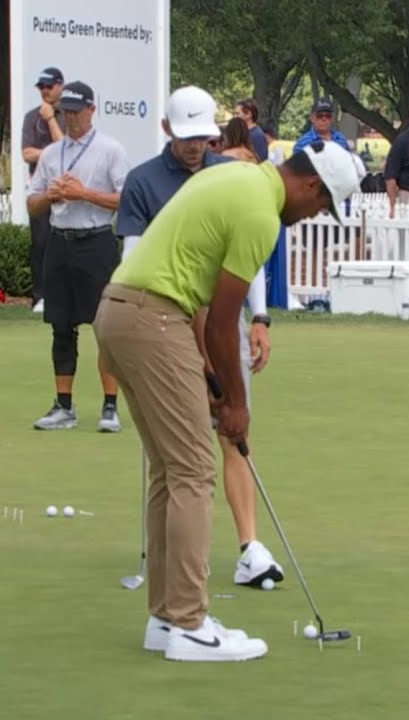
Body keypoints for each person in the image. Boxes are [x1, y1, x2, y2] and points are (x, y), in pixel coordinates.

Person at [95, 140, 360, 662]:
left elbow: (197, 300)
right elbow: (221, 321)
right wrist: (236, 405)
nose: (314, 215)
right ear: (310, 186)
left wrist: (212, 380)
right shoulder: (261, 214)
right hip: (154, 317)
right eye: (322, 205)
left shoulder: (230, 178)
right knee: (194, 470)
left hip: (121, 311)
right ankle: (191, 624)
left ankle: (167, 618)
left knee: (171, 471)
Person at [114, 86, 287, 589]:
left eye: (203, 138)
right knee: (176, 450)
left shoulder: (228, 175)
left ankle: (249, 547)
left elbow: (247, 257)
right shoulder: (143, 181)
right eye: (186, 138)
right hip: (165, 320)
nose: (195, 148)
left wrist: (260, 318)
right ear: (167, 130)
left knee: (234, 425)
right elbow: (132, 257)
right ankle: (172, 555)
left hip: (222, 317)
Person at [26, 80, 130, 431]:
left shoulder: (109, 149)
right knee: (61, 325)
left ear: (91, 110)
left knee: (104, 326)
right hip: (60, 241)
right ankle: (63, 405)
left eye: (74, 111)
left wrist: (84, 194)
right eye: (64, 112)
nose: (69, 118)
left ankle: (110, 406)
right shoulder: (52, 154)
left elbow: (123, 199)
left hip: (96, 242)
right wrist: (50, 196)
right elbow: (32, 202)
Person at [20, 67, 66, 314]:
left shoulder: (68, 115)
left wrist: (50, 119)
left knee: (65, 241)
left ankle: (62, 294)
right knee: (40, 241)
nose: (45, 92)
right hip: (39, 186)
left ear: (60, 86)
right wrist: (52, 153)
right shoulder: (30, 117)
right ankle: (40, 296)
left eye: (49, 87)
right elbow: (26, 153)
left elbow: (67, 147)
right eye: (41, 87)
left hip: (66, 186)